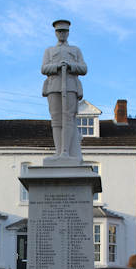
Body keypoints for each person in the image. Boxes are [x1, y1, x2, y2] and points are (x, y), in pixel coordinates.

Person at [41, 19, 87, 163]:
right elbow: (43, 68)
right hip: (54, 86)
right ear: (55, 33)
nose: (62, 34)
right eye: (59, 31)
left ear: (68, 33)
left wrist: (70, 66)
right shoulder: (49, 51)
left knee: (68, 118)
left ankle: (66, 152)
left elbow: (84, 68)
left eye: (64, 31)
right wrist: (57, 66)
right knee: (56, 119)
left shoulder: (75, 50)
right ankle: (58, 151)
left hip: (71, 87)